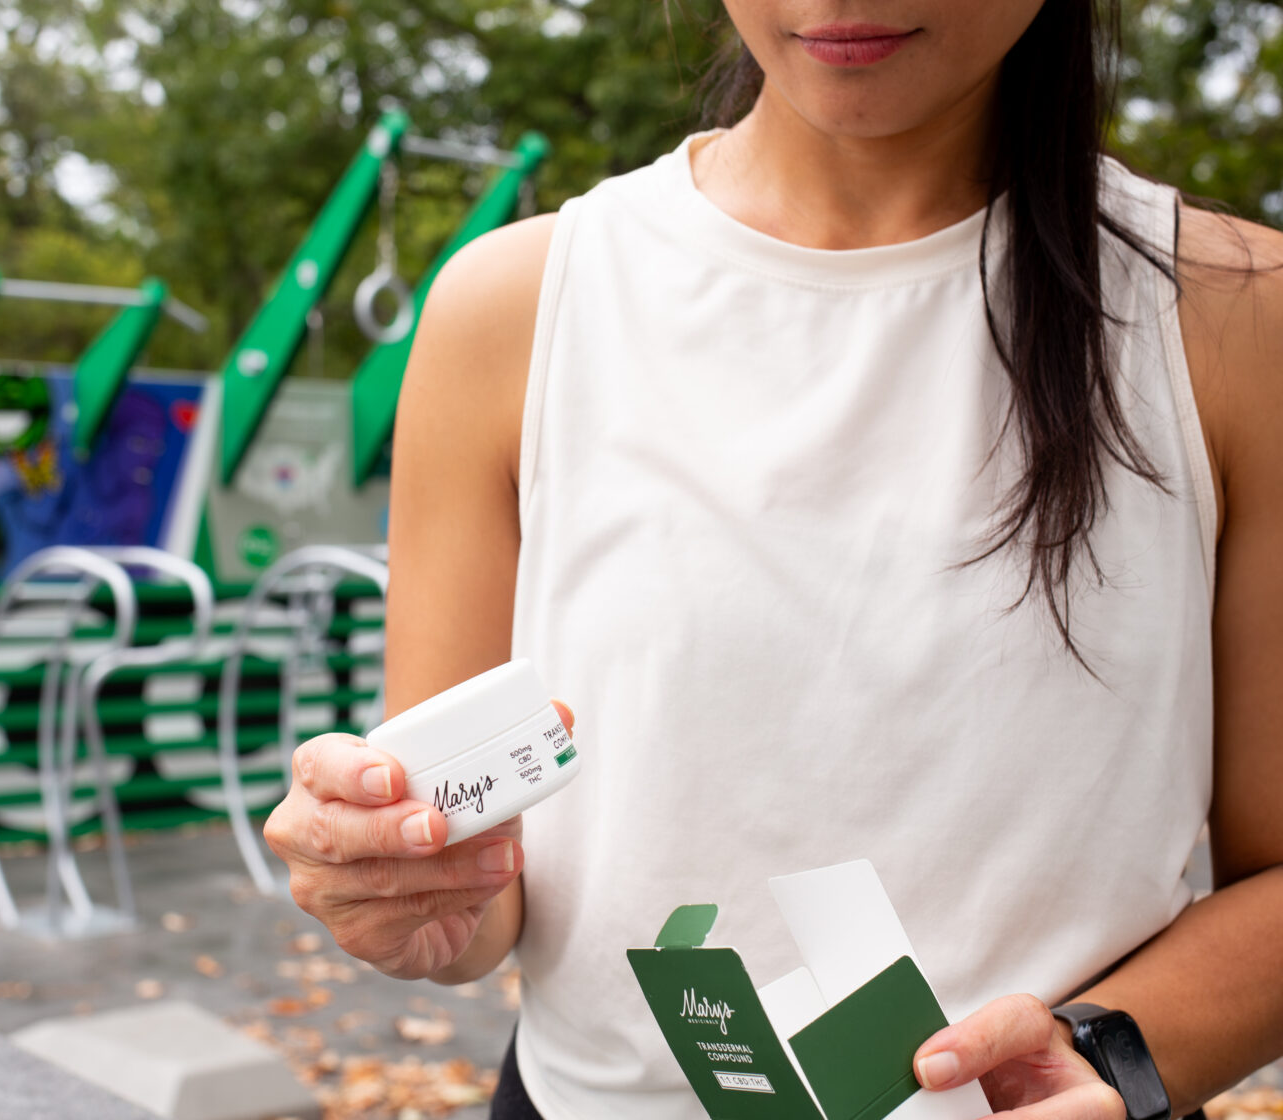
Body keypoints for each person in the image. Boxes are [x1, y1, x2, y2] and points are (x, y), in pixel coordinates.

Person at [262, 1, 1283, 1117]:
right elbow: (467, 875)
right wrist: (408, 890)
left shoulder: (1233, 319)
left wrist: (1108, 1055)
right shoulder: (511, 308)